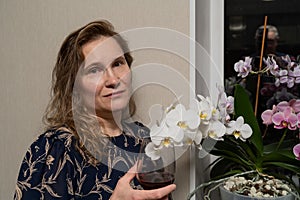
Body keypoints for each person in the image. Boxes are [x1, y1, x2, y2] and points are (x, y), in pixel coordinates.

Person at [14, 20, 176, 200]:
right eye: (95, 70)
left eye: (117, 64)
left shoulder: (143, 140)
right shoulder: (56, 149)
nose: (113, 80)